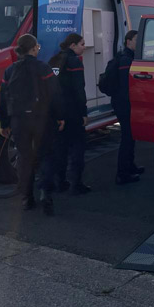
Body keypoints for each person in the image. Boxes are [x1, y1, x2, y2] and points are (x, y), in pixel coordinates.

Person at [0, 34, 64, 213]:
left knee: (24, 158)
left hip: (19, 120)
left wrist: (4, 123)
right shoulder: (44, 68)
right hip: (42, 119)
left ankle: (27, 198)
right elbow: (55, 94)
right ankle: (45, 193)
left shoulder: (10, 71)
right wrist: (60, 116)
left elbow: (4, 98)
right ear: (34, 48)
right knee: (46, 156)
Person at [49, 33, 91, 194]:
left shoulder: (54, 60)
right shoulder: (74, 62)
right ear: (72, 45)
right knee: (77, 148)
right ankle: (77, 184)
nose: (84, 47)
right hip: (73, 111)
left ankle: (60, 182)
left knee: (60, 148)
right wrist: (84, 112)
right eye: (82, 44)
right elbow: (79, 89)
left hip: (57, 112)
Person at [113, 30, 143, 184]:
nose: (139, 42)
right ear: (128, 41)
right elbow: (126, 86)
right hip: (124, 103)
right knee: (127, 137)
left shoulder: (127, 57)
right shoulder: (126, 60)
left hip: (124, 102)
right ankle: (122, 174)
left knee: (131, 136)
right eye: (137, 39)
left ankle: (130, 166)